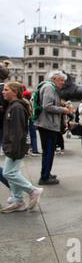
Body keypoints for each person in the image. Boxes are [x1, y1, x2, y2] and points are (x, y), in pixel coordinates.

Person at [0, 82, 43, 213]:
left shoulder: (17, 107)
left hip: (15, 147)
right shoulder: (14, 106)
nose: (3, 92)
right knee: (14, 172)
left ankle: (32, 190)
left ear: (14, 92)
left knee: (8, 173)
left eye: (6, 90)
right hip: (13, 146)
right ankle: (18, 200)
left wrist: (13, 148)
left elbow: (18, 131)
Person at [35, 70, 72, 185]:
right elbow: (47, 106)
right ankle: (45, 177)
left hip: (47, 125)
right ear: (54, 79)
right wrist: (63, 110)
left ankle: (46, 173)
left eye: (63, 81)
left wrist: (61, 104)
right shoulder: (49, 88)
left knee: (48, 151)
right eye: (61, 80)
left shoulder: (50, 88)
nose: (63, 83)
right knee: (49, 152)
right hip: (48, 125)